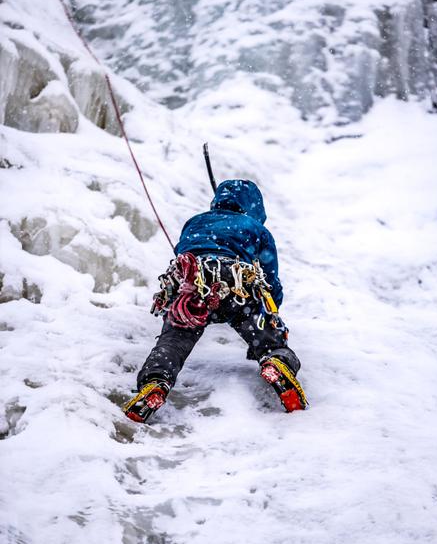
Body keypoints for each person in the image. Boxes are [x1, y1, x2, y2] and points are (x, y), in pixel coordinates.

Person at [123, 179, 307, 423]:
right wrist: (271, 313)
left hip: (192, 291)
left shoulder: (195, 222)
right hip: (238, 289)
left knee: (174, 341)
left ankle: (156, 382)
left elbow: (184, 252)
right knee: (268, 340)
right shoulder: (254, 227)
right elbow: (270, 279)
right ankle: (276, 362)